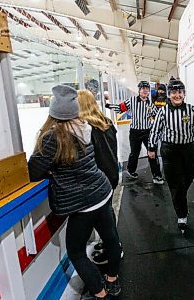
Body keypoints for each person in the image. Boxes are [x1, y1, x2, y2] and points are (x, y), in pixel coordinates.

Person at [28, 85, 121, 300]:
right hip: (102, 192)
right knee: (111, 239)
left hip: (83, 204)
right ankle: (112, 280)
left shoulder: (53, 137)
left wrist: (51, 169)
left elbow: (33, 171)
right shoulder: (84, 126)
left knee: (76, 252)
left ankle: (100, 293)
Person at [148, 80, 194, 234]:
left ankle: (180, 198)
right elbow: (155, 130)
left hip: (188, 150)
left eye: (180, 92)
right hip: (170, 151)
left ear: (184, 94)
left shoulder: (191, 110)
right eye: (174, 92)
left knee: (187, 178)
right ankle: (181, 216)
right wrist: (151, 147)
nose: (177, 95)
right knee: (176, 185)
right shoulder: (163, 111)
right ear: (169, 95)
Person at [77, 89, 123, 265]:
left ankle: (114, 248)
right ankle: (109, 244)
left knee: (103, 217)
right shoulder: (106, 122)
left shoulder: (87, 127)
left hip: (99, 179)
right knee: (106, 213)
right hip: (111, 173)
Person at [106, 81, 164, 184]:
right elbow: (120, 108)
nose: (145, 90)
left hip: (148, 132)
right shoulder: (132, 100)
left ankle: (157, 175)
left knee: (152, 153)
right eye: (143, 88)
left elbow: (157, 116)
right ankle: (131, 171)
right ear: (139, 90)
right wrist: (108, 106)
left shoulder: (150, 103)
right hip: (135, 132)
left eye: (147, 88)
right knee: (134, 153)